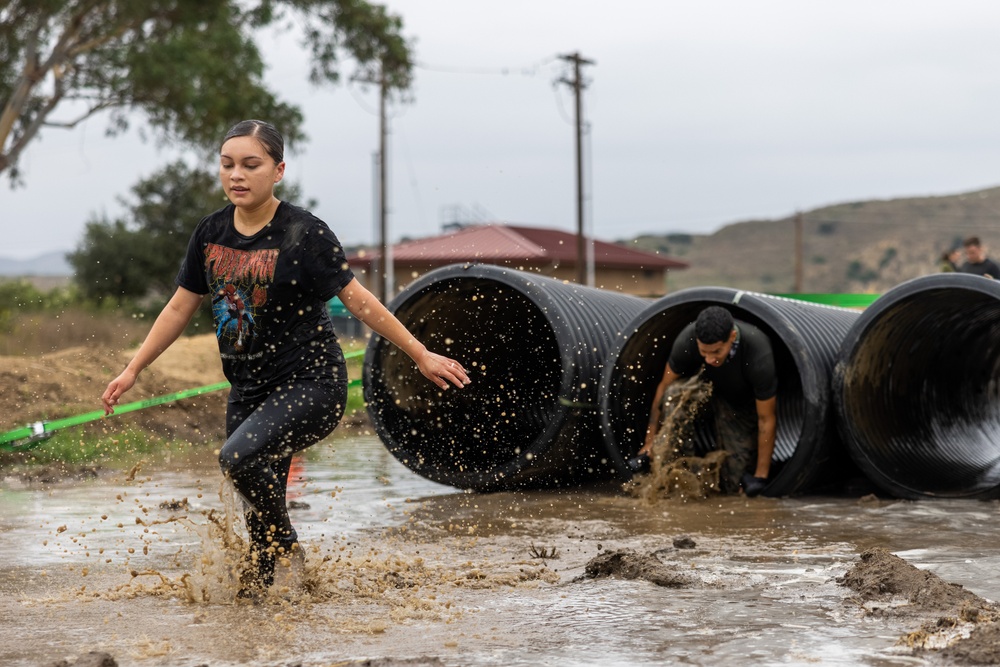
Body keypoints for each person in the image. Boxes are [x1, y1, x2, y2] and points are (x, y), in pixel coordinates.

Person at [101, 119, 471, 600]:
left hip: (310, 384)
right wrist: (133, 369)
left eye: (251, 165)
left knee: (236, 459)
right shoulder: (210, 232)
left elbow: (359, 301)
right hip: (248, 390)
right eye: (227, 164)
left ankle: (289, 549)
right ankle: (267, 608)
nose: (237, 174)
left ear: (277, 170)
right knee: (258, 511)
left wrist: (420, 353)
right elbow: (179, 305)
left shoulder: (304, 234)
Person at [630, 306, 777, 497]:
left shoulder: (757, 351)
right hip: (701, 392)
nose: (709, 359)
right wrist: (650, 441)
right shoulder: (687, 339)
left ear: (731, 337)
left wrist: (759, 476)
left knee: (733, 484)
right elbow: (663, 389)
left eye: (716, 352)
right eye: (703, 352)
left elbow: (767, 419)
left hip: (738, 405)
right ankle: (678, 469)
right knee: (674, 393)